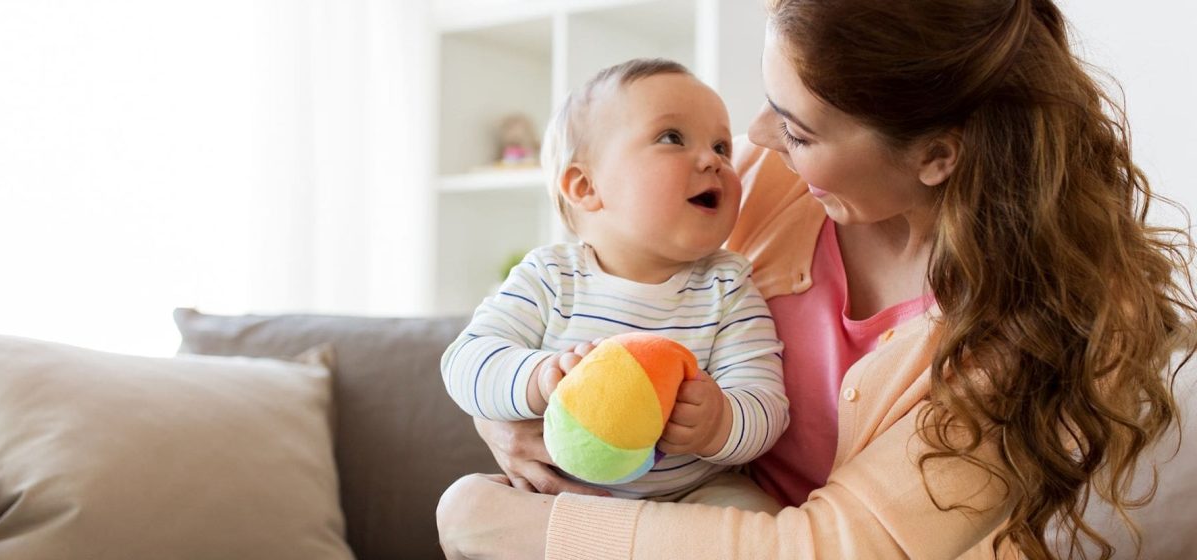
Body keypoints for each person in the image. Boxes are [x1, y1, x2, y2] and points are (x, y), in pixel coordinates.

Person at [436, 0, 1197, 558]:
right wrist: (514, 415)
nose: (756, 142)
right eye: (770, 109)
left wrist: (505, 522)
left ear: (938, 155)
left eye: (797, 129)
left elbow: (834, 548)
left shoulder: (1045, 325)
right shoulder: (772, 183)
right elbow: (581, 304)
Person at [440, 59, 788, 510]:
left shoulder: (729, 287)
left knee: (756, 514)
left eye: (722, 146)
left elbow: (766, 403)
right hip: (559, 493)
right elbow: (465, 361)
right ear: (585, 187)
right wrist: (540, 377)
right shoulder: (549, 276)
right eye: (672, 138)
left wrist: (720, 421)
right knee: (465, 503)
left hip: (687, 497)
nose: (713, 161)